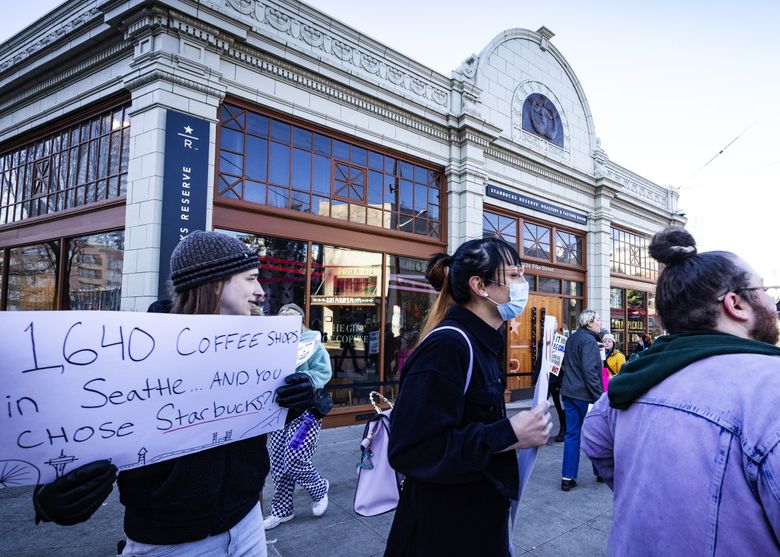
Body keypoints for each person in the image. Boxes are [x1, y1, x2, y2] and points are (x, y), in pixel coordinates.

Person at [31, 230, 316, 556]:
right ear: (216, 281)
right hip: (169, 541)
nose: (260, 291)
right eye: (251, 279)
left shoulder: (256, 344)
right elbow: (90, 423)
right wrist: (52, 493)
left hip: (247, 520)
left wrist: (296, 400)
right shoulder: (138, 352)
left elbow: (257, 417)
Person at [582, 226, 780, 555]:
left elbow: (595, 437)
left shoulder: (637, 377)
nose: (773, 302)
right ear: (735, 303)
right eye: (764, 289)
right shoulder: (770, 385)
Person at [384, 237, 552, 557]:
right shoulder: (447, 347)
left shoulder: (484, 344)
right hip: (442, 533)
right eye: (515, 275)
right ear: (480, 285)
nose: (523, 285)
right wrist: (509, 433)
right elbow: (413, 449)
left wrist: (514, 436)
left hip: (478, 524)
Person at [264, 303, 332, 530]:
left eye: (292, 319)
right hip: (278, 413)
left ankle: (319, 488)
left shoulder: (313, 345)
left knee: (294, 459)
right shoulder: (272, 344)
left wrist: (302, 379)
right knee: (278, 464)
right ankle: (282, 510)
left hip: (306, 413)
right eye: (282, 318)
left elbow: (324, 372)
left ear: (301, 322)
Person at [559, 309, 604, 491]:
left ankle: (567, 476)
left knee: (572, 434)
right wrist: (599, 397)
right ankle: (600, 472)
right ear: (589, 323)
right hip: (584, 395)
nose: (600, 323)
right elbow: (590, 371)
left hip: (569, 392)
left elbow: (566, 364)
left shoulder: (572, 338)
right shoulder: (589, 340)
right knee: (596, 434)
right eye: (598, 320)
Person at [532, 336, 566, 442]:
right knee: (540, 406)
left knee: (559, 406)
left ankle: (563, 429)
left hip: (556, 379)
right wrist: (536, 377)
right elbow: (539, 361)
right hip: (544, 379)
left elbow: (563, 361)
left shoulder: (559, 341)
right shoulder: (542, 341)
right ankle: (538, 432)